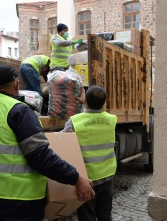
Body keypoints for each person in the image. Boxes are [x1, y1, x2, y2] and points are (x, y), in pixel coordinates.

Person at [0, 65, 95, 221]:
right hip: (15, 202)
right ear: (16, 83)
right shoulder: (19, 111)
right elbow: (40, 156)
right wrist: (76, 179)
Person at [61, 86, 118, 221]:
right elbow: (98, 115)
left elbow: (62, 142)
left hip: (87, 179)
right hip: (107, 176)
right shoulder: (112, 120)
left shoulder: (75, 121)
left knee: (87, 215)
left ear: (85, 100)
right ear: (104, 103)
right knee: (105, 215)